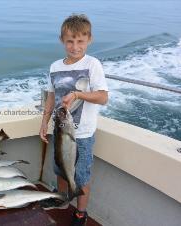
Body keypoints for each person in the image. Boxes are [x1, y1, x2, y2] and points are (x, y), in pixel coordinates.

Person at [39, 14, 108, 226]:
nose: (75, 46)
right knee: (60, 168)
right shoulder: (54, 67)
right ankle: (61, 199)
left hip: (83, 135)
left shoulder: (92, 64)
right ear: (62, 40)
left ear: (89, 40)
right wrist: (44, 121)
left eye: (80, 41)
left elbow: (103, 97)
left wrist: (78, 95)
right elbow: (51, 96)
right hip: (60, 131)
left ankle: (81, 212)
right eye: (70, 41)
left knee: (81, 177)